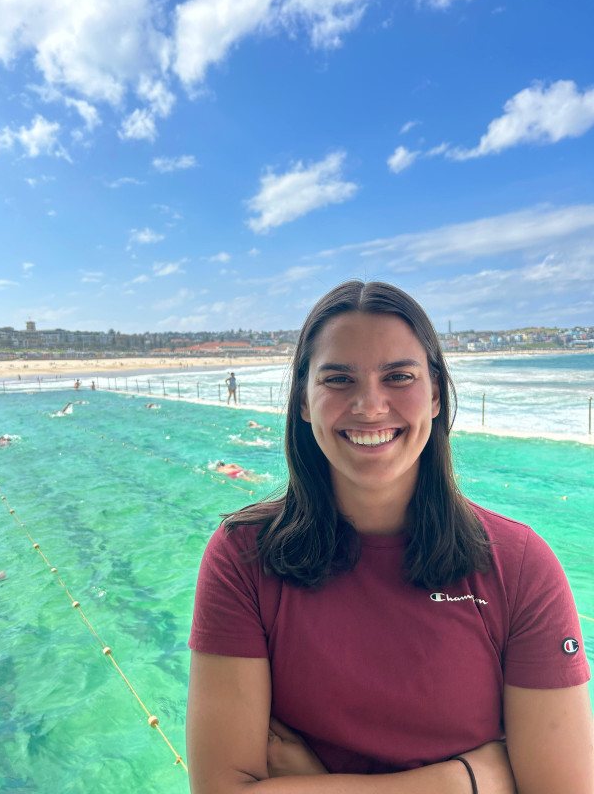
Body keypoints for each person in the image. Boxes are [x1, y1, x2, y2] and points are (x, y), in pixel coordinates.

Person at [186, 281, 592, 794]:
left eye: (398, 376)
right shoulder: (244, 559)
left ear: (436, 394)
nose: (370, 405)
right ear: (304, 401)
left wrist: (317, 784)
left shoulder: (519, 565)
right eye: (338, 379)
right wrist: (469, 780)